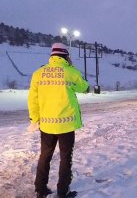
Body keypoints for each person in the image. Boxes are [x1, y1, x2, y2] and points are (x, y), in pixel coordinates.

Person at [28, 43, 89, 198]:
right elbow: (83, 88)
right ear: (65, 56)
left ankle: (40, 189)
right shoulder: (70, 72)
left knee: (45, 156)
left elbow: (32, 100)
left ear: (52, 56)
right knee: (65, 157)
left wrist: (35, 119)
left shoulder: (38, 73)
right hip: (66, 125)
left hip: (47, 125)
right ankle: (63, 192)